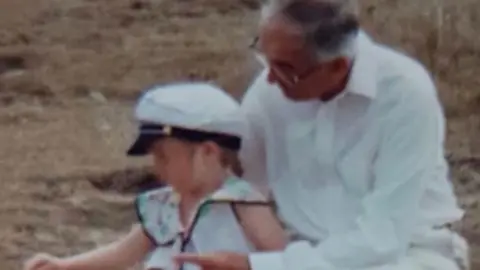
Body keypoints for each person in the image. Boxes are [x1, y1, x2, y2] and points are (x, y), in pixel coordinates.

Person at [174, 1, 470, 270]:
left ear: (337, 66)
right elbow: (241, 187)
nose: (270, 78)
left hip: (407, 254)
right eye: (264, 57)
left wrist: (262, 265)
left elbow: (385, 234)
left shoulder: (403, 93)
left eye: (285, 68)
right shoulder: (268, 93)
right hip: (300, 251)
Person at [23, 83, 287, 270]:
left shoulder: (241, 203)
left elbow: (283, 259)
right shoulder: (164, 207)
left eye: (164, 157)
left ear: (208, 152)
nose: (157, 167)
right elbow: (123, 253)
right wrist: (65, 265)